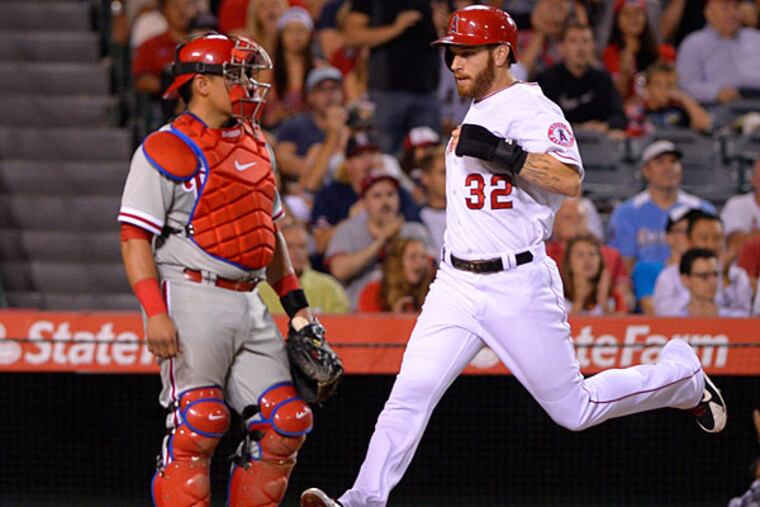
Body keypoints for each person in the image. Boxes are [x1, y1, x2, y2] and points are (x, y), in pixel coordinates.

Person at [300, 6, 727, 507]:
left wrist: (509, 154)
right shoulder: (477, 107)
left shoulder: (532, 107)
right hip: (455, 283)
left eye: (466, 53)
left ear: (501, 53)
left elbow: (570, 179)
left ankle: (681, 376)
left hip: (517, 282)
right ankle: (361, 500)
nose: (455, 63)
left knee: (575, 408)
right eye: (452, 54)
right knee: (408, 394)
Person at [118, 34, 322, 506]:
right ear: (202, 83)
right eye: (238, 74)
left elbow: (266, 239)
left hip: (250, 301)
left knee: (285, 422)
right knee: (199, 423)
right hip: (191, 295)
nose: (250, 84)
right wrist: (154, 312)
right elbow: (134, 238)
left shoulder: (258, 145)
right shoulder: (165, 148)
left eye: (250, 73)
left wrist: (298, 308)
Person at [342, 0, 441, 154]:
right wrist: (396, 28)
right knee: (386, 159)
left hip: (427, 91)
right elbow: (352, 36)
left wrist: (441, 25)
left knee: (429, 160)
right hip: (387, 93)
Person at [324, 169, 432, 308]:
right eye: (377, 196)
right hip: (358, 314)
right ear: (364, 202)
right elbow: (339, 271)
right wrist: (381, 241)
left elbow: (431, 269)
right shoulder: (348, 230)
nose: (385, 201)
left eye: (391, 194)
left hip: (409, 310)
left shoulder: (415, 231)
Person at [607, 139, 715, 271]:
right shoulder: (626, 213)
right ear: (646, 170)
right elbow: (624, 267)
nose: (668, 168)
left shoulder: (702, 210)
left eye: (673, 162)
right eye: (660, 162)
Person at [653, 210, 753, 316]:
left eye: (717, 238)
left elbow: (746, 316)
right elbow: (662, 313)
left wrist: (725, 277)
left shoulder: (738, 276)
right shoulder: (669, 276)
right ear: (689, 240)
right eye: (704, 238)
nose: (710, 244)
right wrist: (692, 306)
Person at [536, 23, 627, 136]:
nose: (580, 48)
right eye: (573, 41)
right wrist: (578, 128)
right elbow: (540, 120)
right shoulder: (546, 80)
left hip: (597, 144)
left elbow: (619, 116)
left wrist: (605, 126)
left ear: (593, 46)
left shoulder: (602, 79)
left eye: (585, 41)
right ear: (561, 47)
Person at [547, 197, 633, 311]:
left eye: (580, 217)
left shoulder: (611, 255)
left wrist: (605, 301)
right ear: (553, 224)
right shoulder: (544, 255)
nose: (575, 222)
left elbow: (626, 299)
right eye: (567, 218)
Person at [274, 66, 348, 186]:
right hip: (303, 189)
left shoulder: (353, 124)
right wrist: (322, 166)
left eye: (334, 88)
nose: (329, 95)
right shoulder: (294, 125)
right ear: (310, 96)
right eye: (322, 90)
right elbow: (283, 162)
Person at [676, 0, 760, 105]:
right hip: (722, 106)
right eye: (725, 7)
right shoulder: (694, 44)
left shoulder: (755, 38)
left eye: (736, 7)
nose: (732, 13)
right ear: (708, 12)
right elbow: (686, 85)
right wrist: (715, 93)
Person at [257, 221, 350, 314]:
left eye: (302, 247)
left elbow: (343, 323)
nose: (297, 253)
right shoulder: (259, 289)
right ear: (276, 250)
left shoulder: (329, 287)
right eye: (289, 246)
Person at [602, 0, 675, 102]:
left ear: (645, 17)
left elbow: (673, 89)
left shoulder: (664, 52)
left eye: (637, 13)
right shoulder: (611, 54)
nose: (633, 18)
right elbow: (616, 95)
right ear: (617, 19)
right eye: (626, 14)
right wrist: (625, 73)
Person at [631, 207, 696, 314]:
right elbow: (653, 312)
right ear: (669, 237)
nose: (689, 236)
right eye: (682, 231)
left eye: (692, 231)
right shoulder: (645, 269)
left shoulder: (711, 271)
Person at [625, 62, 712, 136]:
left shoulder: (680, 109)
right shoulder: (638, 110)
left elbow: (705, 124)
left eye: (669, 85)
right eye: (658, 85)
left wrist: (684, 98)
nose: (664, 90)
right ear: (648, 87)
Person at [357, 236, 435, 313]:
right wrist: (395, 318)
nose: (420, 263)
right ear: (398, 262)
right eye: (413, 257)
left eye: (423, 257)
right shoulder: (374, 293)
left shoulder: (432, 292)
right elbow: (369, 323)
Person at [561, 235, 627, 315]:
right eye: (580, 254)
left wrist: (603, 303)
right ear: (569, 263)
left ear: (600, 261)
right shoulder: (558, 293)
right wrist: (578, 302)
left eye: (592, 254)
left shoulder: (613, 295)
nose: (587, 260)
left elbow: (622, 325)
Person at [678, 248, 748, 316]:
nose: (713, 281)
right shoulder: (674, 320)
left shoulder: (737, 319)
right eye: (704, 276)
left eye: (715, 274)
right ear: (685, 280)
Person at [720, 156, 760, 257]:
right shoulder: (736, 204)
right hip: (741, 271)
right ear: (753, 180)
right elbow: (736, 245)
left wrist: (752, 236)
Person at [418, 145, 447, 260]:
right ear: (425, 177)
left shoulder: (467, 213)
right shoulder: (415, 217)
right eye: (443, 172)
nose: (450, 177)